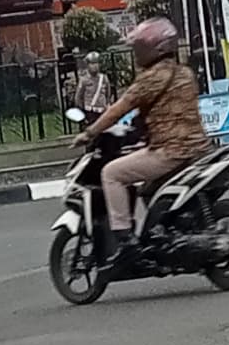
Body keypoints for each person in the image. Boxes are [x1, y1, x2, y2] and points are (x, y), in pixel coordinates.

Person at [85, 14, 209, 242]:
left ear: (151, 49)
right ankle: (161, 232)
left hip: (170, 152)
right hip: (198, 148)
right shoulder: (186, 73)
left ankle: (123, 237)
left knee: (111, 173)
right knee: (146, 189)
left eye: (139, 48)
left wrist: (90, 132)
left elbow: (118, 109)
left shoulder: (151, 78)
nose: (136, 54)